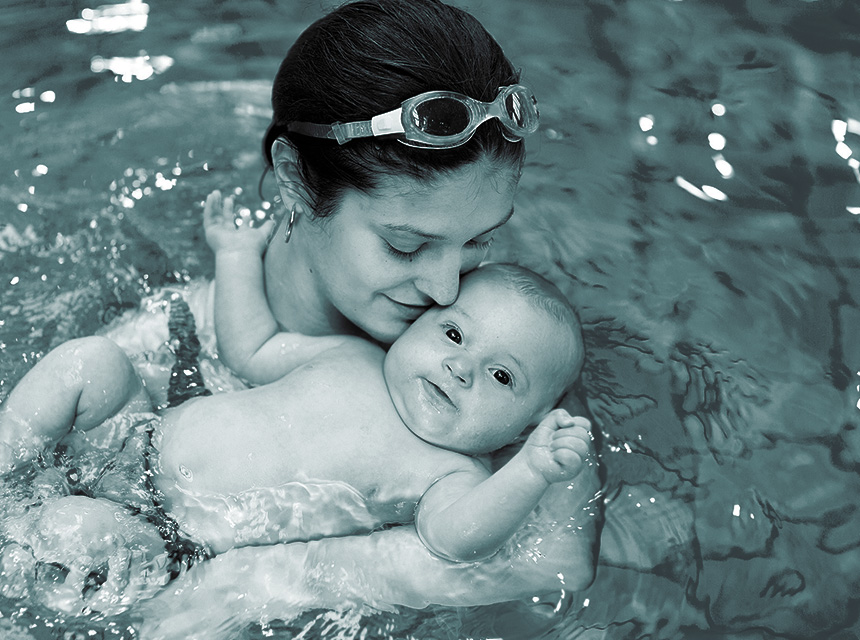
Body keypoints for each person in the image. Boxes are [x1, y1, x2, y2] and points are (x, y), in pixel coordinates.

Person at [99, 0, 602, 635]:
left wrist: (260, 580)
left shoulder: (503, 335)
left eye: (480, 240)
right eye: (405, 245)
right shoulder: (172, 338)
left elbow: (560, 560)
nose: (448, 289)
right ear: (294, 180)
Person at [0, 259, 592, 618]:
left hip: (168, 533)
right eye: (455, 333)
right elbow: (250, 348)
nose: (461, 368)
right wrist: (234, 258)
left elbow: (457, 542)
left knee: (72, 529)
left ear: (525, 427)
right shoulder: (352, 353)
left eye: (502, 376)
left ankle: (24, 535)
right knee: (90, 363)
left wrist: (531, 471)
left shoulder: (452, 475)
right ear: (418, 323)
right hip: (138, 436)